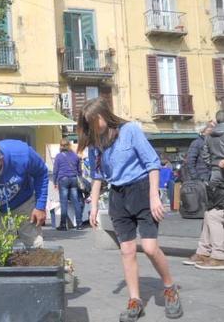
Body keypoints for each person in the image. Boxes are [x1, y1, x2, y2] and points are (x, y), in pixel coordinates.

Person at [77, 97, 183, 322]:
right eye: (88, 123)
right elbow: (97, 177)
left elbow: (152, 163)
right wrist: (93, 207)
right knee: (127, 250)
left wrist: (154, 196)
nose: (92, 126)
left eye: (94, 120)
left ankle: (170, 288)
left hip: (142, 190)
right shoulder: (96, 144)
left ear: (104, 114)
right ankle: (135, 300)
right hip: (118, 196)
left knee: (150, 247)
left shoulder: (130, 130)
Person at [184, 111, 224, 270]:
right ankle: (205, 252)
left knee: (213, 214)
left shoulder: (209, 136)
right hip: (217, 179)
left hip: (214, 178)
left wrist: (214, 165)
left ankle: (218, 254)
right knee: (211, 213)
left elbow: (206, 158)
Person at [52, 138, 84, 230]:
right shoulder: (75, 156)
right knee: (76, 202)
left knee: (64, 203)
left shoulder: (58, 156)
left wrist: (54, 182)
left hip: (63, 180)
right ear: (69, 145)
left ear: (61, 146)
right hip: (74, 179)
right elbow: (79, 170)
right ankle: (79, 224)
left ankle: (63, 225)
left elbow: (55, 170)